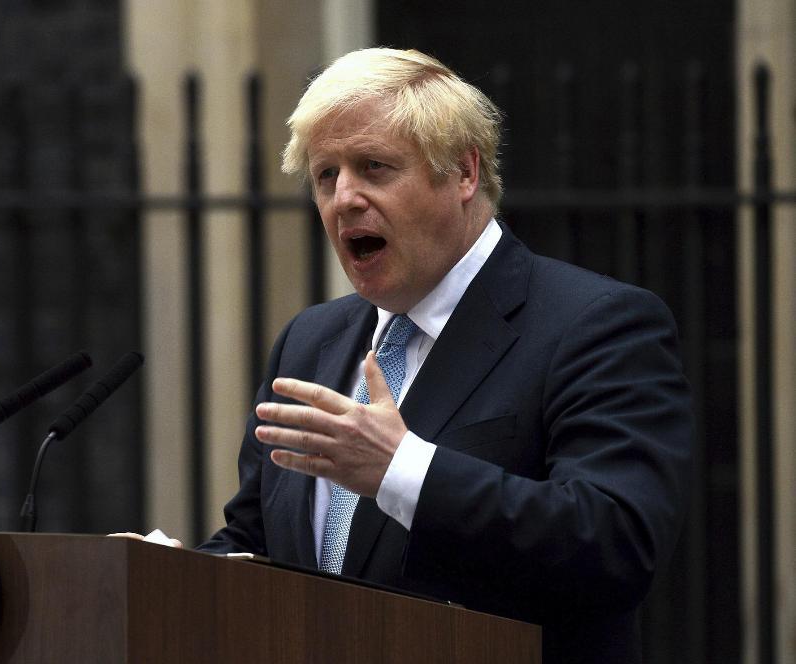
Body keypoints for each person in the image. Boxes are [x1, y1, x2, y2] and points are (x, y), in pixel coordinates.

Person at [194, 48, 692, 664]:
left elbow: (616, 544)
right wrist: (163, 573)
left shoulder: (595, 323)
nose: (344, 198)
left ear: (463, 172)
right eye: (326, 175)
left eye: (373, 167)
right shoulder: (310, 340)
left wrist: (402, 470)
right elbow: (258, 541)